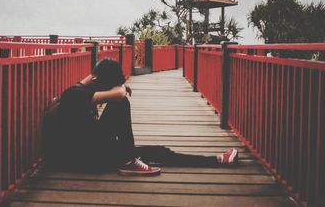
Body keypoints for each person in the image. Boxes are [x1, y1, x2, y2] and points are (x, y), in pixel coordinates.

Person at [42, 59, 238, 175]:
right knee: (121, 103)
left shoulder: (76, 92)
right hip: (88, 160)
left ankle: (217, 159)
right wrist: (120, 88)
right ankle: (129, 161)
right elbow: (119, 95)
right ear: (98, 81)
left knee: (159, 152)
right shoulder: (75, 95)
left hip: (91, 151)